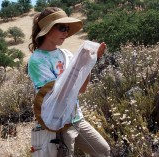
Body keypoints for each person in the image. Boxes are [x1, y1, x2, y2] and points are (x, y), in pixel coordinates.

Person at [28, 7, 110, 157]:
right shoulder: (37, 60)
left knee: (103, 151)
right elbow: (56, 96)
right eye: (61, 28)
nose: (66, 32)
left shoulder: (66, 54)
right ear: (47, 30)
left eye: (67, 28)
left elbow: (81, 89)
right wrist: (79, 64)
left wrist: (89, 62)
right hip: (57, 125)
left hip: (76, 119)